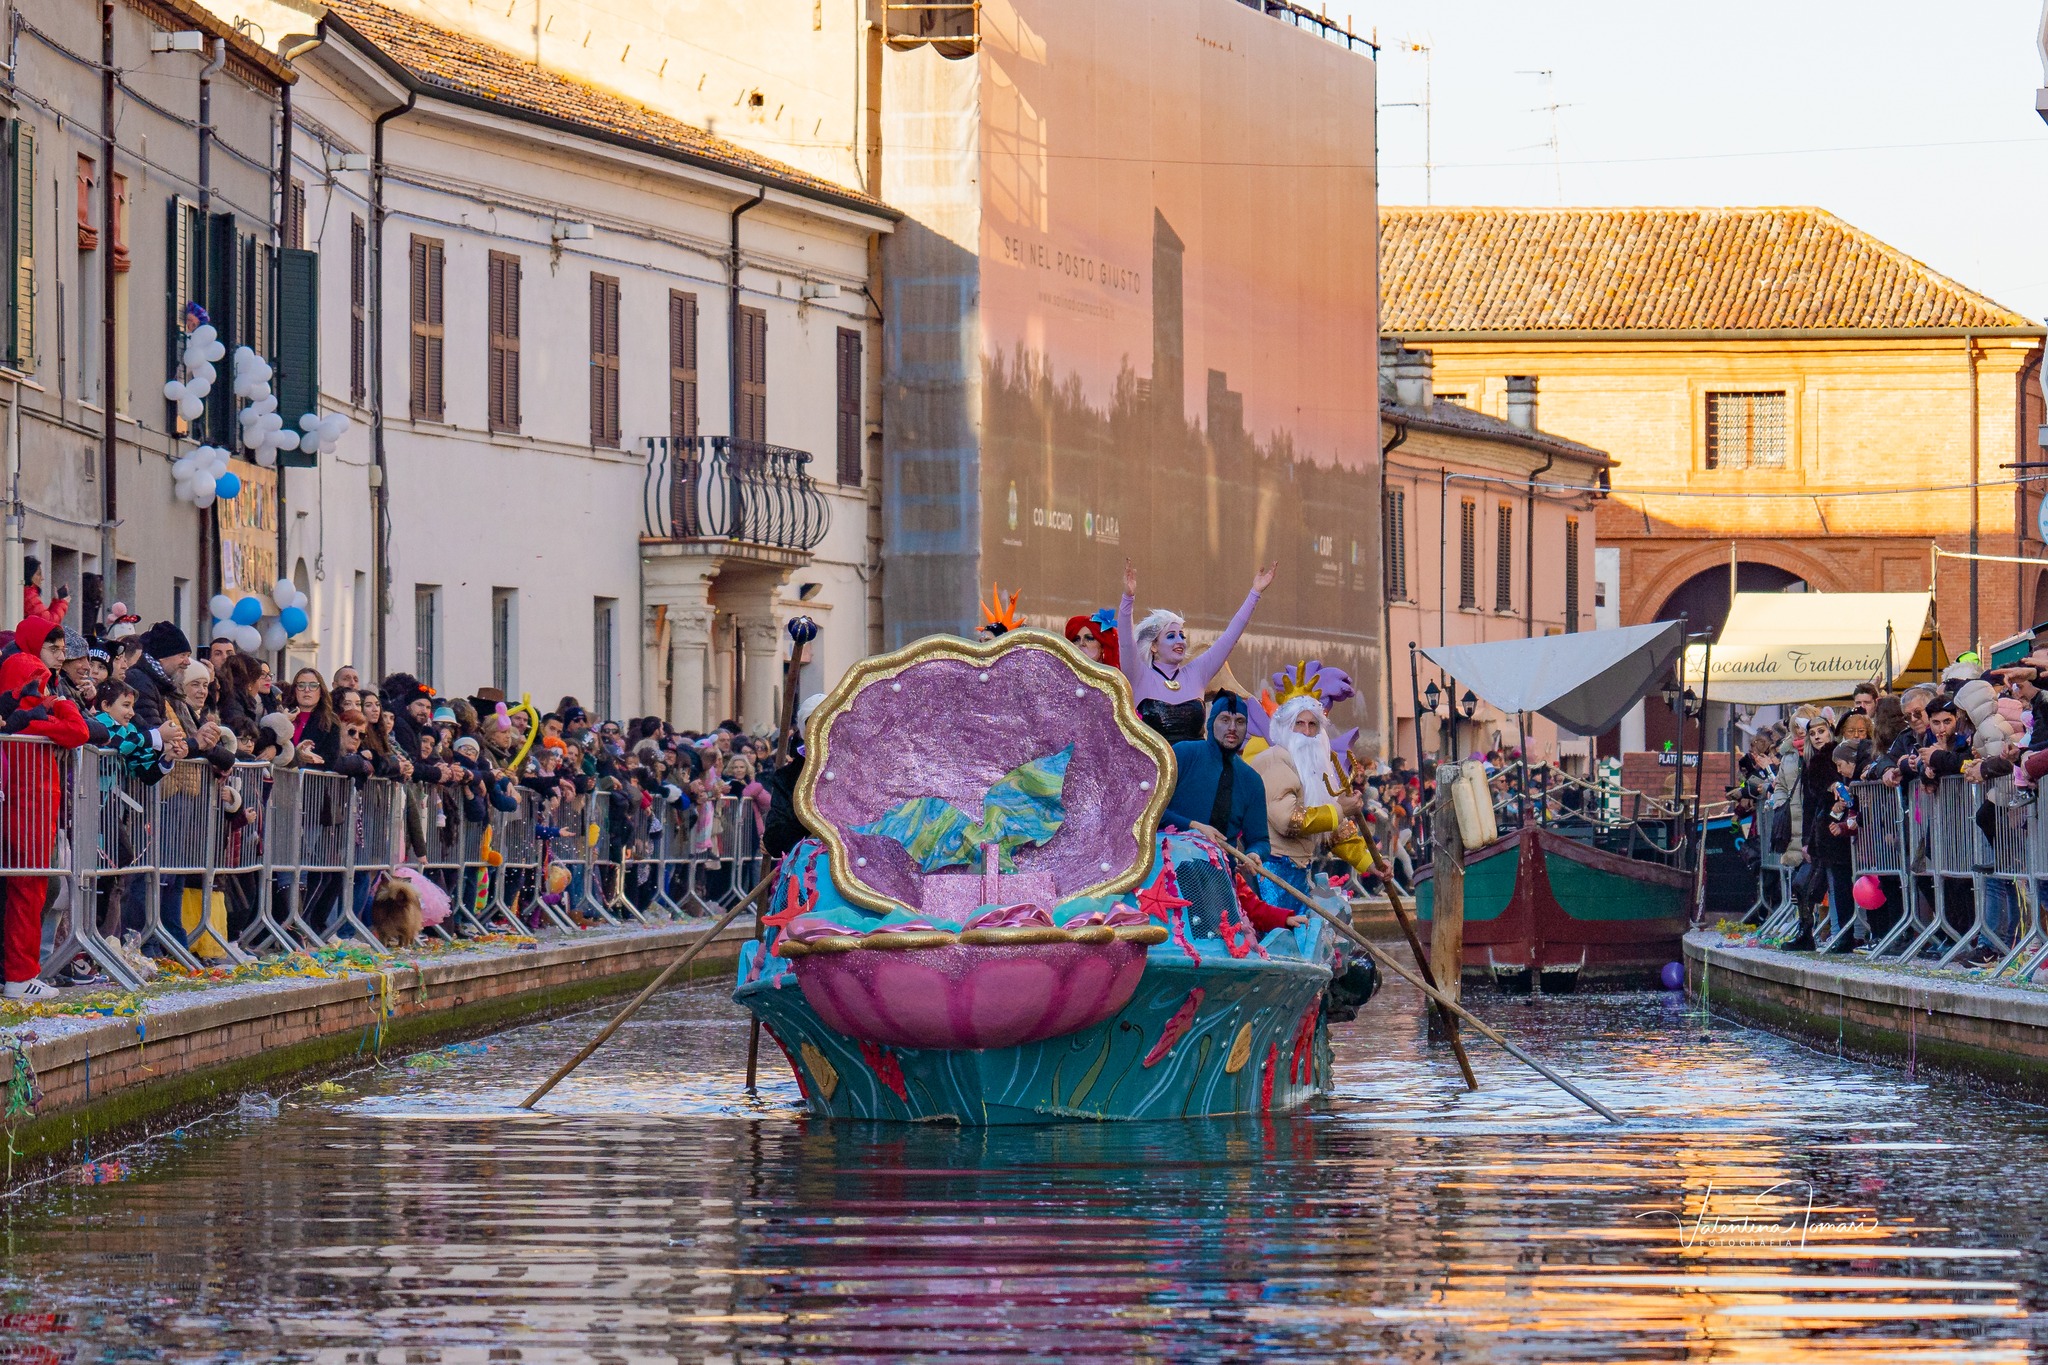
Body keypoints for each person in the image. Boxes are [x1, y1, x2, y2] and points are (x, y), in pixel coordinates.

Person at [0, 615, 91, 998]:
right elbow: (78, 731)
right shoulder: (28, 666)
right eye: (53, 648)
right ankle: (20, 975)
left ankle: (21, 972)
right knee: (30, 884)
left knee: (32, 884)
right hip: (28, 794)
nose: (59, 657)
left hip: (30, 792)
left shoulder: (25, 668)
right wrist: (59, 706)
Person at [1116, 557, 1276, 743]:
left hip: (1196, 769)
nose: (1180, 641)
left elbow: (1229, 638)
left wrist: (1255, 593)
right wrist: (1128, 598)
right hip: (1153, 770)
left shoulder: (1197, 673)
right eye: (1171, 636)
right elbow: (1126, 643)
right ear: (1153, 645)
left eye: (1182, 636)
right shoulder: (1138, 675)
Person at [1247, 694, 1373, 904]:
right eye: (1300, 724)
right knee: (1283, 935)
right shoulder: (1275, 760)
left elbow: (1334, 831)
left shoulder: (1316, 767)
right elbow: (1288, 821)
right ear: (1286, 728)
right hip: (1271, 870)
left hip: (1299, 871)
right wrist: (1340, 809)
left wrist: (1370, 864)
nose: (1306, 732)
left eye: (1313, 725)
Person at [1163, 692, 1269, 856]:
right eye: (1225, 720)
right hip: (1169, 866)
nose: (1232, 728)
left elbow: (1260, 840)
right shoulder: (1184, 754)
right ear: (1211, 723)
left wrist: (1254, 854)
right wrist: (1193, 826)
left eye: (1239, 721)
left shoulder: (1251, 780)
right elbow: (1149, 810)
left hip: (1220, 875)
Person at [126, 621, 193, 734]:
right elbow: (159, 737)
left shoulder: (165, 685)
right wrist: (196, 743)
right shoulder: (140, 682)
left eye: (188, 656)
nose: (187, 662)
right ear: (162, 656)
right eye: (182, 655)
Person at [20, 556, 69, 629]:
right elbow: (48, 622)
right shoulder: (29, 595)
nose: (42, 578)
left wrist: (56, 602)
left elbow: (44, 616)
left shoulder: (28, 593)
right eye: (38, 574)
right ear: (29, 575)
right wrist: (62, 603)